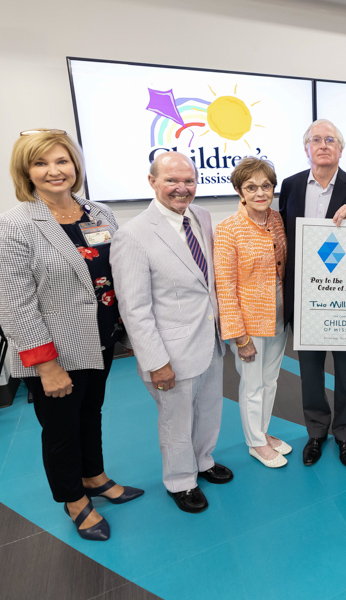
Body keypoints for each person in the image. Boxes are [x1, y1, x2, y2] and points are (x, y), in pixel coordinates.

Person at [0, 129, 143, 542]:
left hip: (100, 339)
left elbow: (117, 270)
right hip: (55, 351)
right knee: (60, 428)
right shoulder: (15, 226)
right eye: (41, 163)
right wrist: (46, 365)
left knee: (90, 413)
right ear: (26, 171)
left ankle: (94, 476)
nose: (53, 171)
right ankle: (74, 500)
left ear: (75, 165)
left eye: (61, 161)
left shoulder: (98, 213)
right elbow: (14, 303)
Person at [110, 152, 232, 514]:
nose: (182, 188)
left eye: (189, 181)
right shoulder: (132, 236)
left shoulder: (203, 217)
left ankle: (203, 460)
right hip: (170, 351)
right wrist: (155, 362)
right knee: (177, 418)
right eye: (171, 181)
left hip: (210, 339)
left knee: (209, 408)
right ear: (152, 182)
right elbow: (134, 309)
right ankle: (180, 480)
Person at [280, 119, 346, 468]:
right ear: (307, 148)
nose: (323, 145)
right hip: (305, 296)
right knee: (310, 371)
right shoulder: (290, 187)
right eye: (316, 140)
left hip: (345, 297)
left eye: (330, 139)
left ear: (341, 148)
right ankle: (316, 432)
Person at [214, 157, 290, 469]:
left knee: (270, 380)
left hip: (279, 316)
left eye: (266, 186)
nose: (260, 192)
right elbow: (225, 287)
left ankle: (263, 431)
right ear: (239, 191)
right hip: (250, 322)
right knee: (253, 384)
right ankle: (255, 442)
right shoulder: (228, 229)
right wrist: (239, 336)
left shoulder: (276, 219)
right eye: (251, 187)